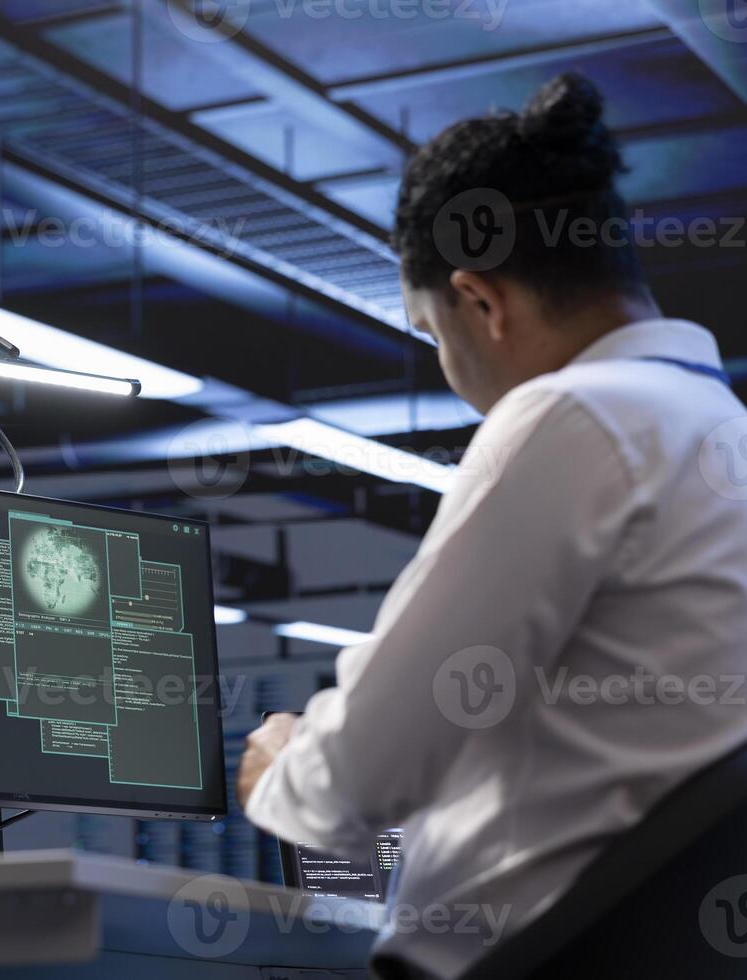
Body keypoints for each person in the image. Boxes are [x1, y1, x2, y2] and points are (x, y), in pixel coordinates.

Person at [237, 72, 747, 978]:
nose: (446, 363)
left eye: (431, 331)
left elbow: (362, 774)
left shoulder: (577, 417)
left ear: (482, 301)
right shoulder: (716, 434)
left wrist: (283, 768)